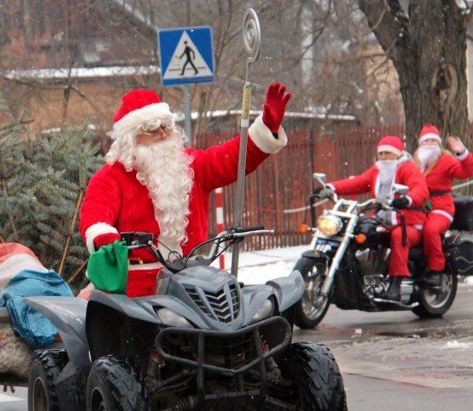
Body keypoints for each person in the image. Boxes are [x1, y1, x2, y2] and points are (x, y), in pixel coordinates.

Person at [79, 83, 291, 297]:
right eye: (153, 128)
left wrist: (265, 128)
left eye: (166, 126)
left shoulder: (190, 165)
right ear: (131, 139)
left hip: (193, 281)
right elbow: (95, 216)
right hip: (137, 289)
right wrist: (105, 237)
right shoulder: (112, 177)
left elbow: (231, 159)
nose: (163, 134)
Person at [318, 135, 429, 301]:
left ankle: (395, 286)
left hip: (408, 223)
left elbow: (420, 189)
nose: (384, 157)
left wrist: (406, 199)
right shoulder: (378, 170)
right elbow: (359, 182)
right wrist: (331, 187)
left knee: (398, 236)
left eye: (388, 153)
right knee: (361, 231)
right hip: (383, 220)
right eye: (381, 153)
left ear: (398, 154)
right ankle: (360, 277)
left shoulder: (408, 168)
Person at [413, 124, 473, 286]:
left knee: (431, 229)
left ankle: (436, 269)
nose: (430, 144)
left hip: (441, 207)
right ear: (420, 143)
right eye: (426, 141)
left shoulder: (445, 160)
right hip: (418, 207)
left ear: (439, 143)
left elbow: (466, 171)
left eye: (433, 140)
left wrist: (462, 153)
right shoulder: (415, 161)